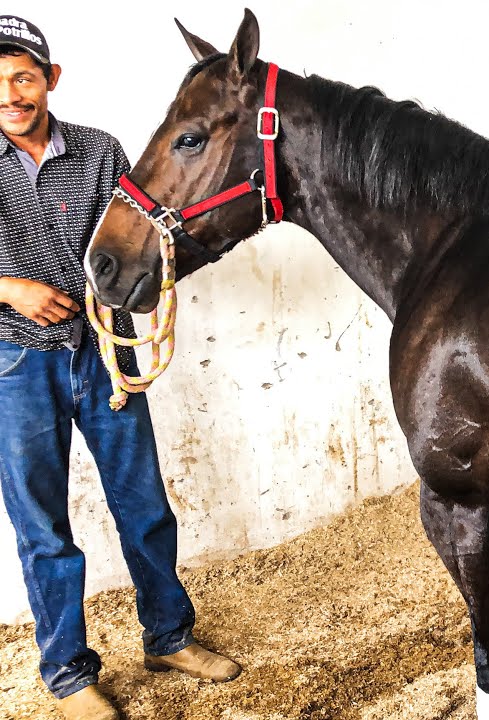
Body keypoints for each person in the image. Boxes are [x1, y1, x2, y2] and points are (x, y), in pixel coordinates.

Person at [0, 15, 240, 720]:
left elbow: (142, 234)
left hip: (106, 350)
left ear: (51, 79)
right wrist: (7, 288)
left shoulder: (101, 151)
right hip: (15, 363)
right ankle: (69, 675)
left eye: (23, 76)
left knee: (143, 505)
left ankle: (168, 635)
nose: (10, 93)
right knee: (42, 526)